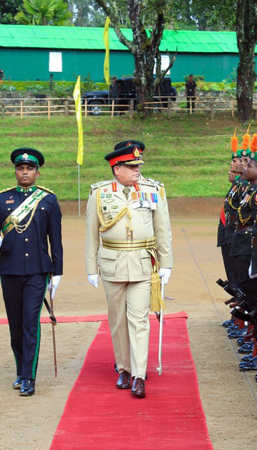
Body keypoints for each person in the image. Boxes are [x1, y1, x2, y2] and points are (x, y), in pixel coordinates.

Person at [84, 141, 173, 399]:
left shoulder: (153, 189)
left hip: (144, 263)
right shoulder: (100, 193)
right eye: (131, 166)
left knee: (139, 319)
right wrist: (92, 267)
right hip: (111, 263)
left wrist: (166, 263)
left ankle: (138, 375)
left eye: (138, 165)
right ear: (116, 168)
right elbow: (91, 234)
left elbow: (162, 230)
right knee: (118, 321)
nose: (137, 170)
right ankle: (123, 368)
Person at [0, 148, 63, 397]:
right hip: (10, 270)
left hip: (38, 271)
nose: (24, 172)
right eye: (20, 168)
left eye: (29, 169)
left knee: (30, 324)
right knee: (16, 327)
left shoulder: (48, 200)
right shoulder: (1, 200)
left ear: (38, 172)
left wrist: (57, 272)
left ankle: (28, 377)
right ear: (16, 171)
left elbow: (55, 240)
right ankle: (20, 369)